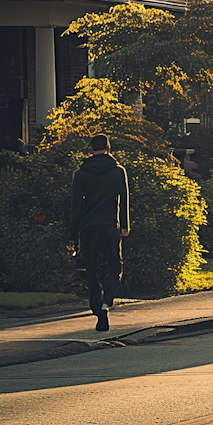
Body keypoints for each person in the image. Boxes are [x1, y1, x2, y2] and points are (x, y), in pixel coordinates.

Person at [69, 134, 130, 332]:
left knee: (91, 269)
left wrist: (72, 235)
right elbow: (123, 200)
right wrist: (124, 225)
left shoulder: (80, 174)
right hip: (109, 226)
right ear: (109, 148)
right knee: (114, 267)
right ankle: (107, 302)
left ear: (90, 149)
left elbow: (76, 207)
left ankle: (97, 306)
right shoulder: (118, 172)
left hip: (88, 227)